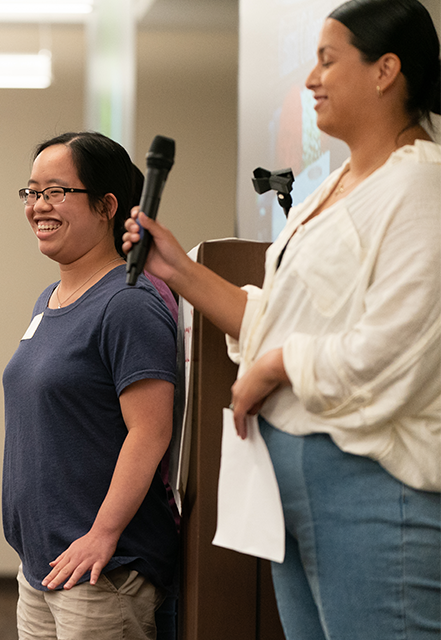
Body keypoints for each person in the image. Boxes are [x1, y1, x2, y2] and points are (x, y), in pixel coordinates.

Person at [122, 1, 441, 637]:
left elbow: (399, 350)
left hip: (374, 489)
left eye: (327, 59)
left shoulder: (423, 187)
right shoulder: (331, 189)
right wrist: (178, 269)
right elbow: (274, 319)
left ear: (386, 70)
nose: (309, 79)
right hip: (293, 488)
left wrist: (274, 366)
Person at [3, 131, 179, 640]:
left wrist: (102, 535)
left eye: (56, 191)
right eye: (32, 192)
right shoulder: (49, 298)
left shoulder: (128, 302)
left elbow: (150, 432)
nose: (39, 206)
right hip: (44, 565)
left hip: (101, 570)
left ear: (107, 205)